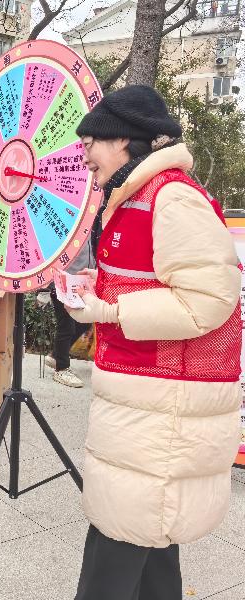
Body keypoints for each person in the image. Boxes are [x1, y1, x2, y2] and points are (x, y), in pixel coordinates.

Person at [67, 85, 241, 600]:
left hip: (161, 407)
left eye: (89, 143)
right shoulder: (138, 194)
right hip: (146, 401)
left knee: (121, 535)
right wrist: (98, 285)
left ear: (122, 139)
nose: (84, 156)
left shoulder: (172, 197)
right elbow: (151, 280)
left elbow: (210, 300)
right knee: (149, 542)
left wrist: (111, 310)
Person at [40, 236, 94, 388]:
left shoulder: (91, 223)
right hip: (62, 281)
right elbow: (48, 251)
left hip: (83, 281)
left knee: (86, 321)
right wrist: (44, 289)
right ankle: (62, 369)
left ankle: (56, 355)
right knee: (66, 325)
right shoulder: (67, 225)